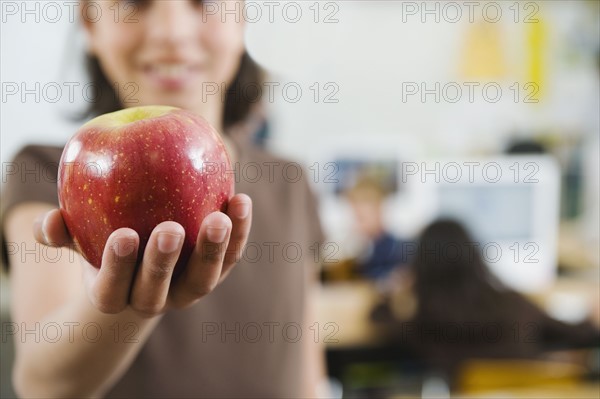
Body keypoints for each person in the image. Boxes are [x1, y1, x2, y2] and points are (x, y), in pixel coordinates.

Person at [1, 1, 325, 397]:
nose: (172, 32)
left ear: (240, 19)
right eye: (136, 2)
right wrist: (128, 310)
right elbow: (40, 385)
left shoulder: (290, 181)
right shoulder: (50, 173)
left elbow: (307, 373)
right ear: (90, 24)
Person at [382, 219, 599, 386]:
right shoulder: (514, 305)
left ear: (421, 266)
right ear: (475, 256)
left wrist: (394, 295)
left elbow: (382, 322)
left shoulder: (425, 322)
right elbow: (579, 333)